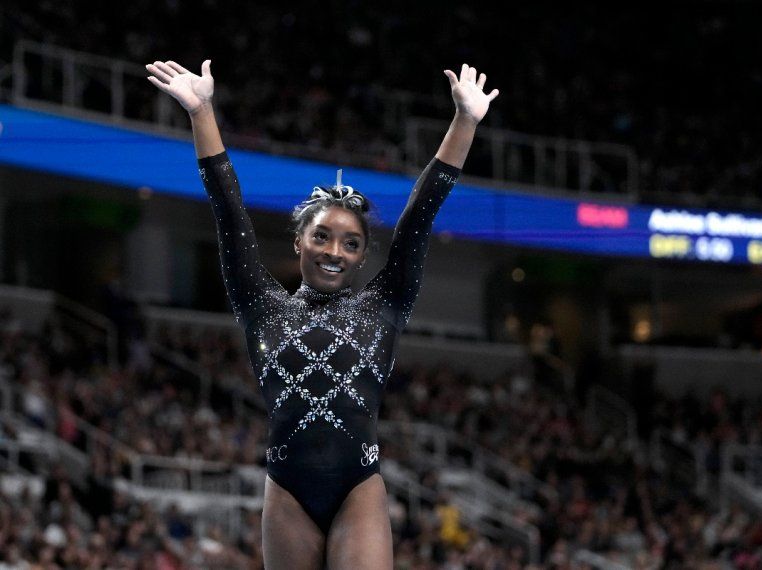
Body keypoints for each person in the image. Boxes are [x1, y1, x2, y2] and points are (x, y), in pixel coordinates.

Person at [144, 58, 498, 569]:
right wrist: (202, 111)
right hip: (286, 491)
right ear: (299, 242)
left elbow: (420, 217)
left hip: (359, 485)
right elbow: (228, 208)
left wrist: (465, 122)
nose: (335, 251)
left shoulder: (386, 303)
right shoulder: (262, 306)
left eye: (352, 243)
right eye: (323, 236)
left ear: (361, 255)